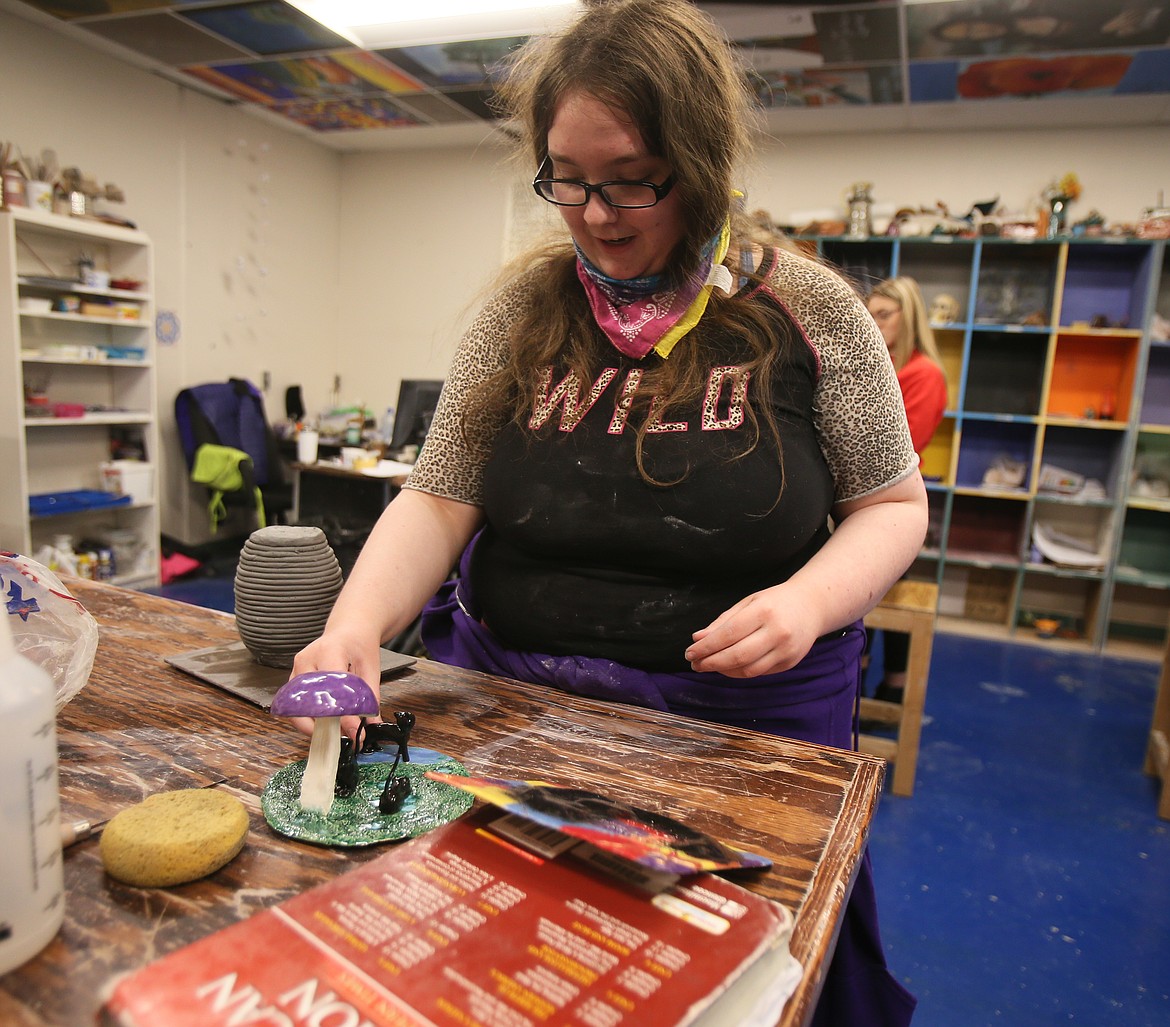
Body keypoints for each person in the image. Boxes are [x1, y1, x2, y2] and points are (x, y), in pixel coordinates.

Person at [293, 2, 925, 1022]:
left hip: (737, 737)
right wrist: (355, 625)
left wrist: (810, 600)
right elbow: (441, 492)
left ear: (702, 157)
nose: (594, 212)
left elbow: (893, 506)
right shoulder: (519, 315)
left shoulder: (812, 312)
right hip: (514, 722)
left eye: (630, 178)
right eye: (568, 179)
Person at [865, 277, 948, 703]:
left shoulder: (923, 373)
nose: (874, 324)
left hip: (889, 501)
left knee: (886, 593)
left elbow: (898, 449)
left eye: (884, 315)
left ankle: (893, 685)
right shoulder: (888, 367)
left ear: (908, 317)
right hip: (867, 499)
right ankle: (876, 681)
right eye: (871, 313)